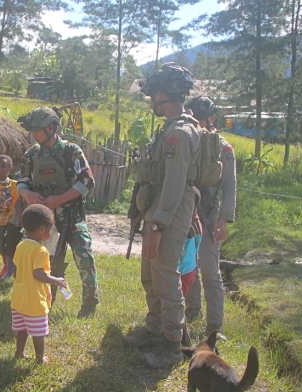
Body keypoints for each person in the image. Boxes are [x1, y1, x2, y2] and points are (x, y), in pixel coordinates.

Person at [121, 63, 200, 369]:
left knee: (166, 279)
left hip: (169, 212)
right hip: (158, 210)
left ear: (165, 94)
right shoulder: (169, 128)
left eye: (153, 94)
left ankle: (171, 345)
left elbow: (175, 183)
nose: (151, 101)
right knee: (150, 276)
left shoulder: (179, 132)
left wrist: (157, 224)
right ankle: (154, 329)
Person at [16, 107, 98, 318]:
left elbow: (87, 182)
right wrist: (28, 195)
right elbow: (22, 182)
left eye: (38, 130)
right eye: (33, 131)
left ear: (51, 128)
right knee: (41, 261)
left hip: (70, 214)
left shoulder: (71, 151)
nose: (34, 135)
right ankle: (40, 301)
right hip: (42, 218)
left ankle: (90, 302)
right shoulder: (31, 154)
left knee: (84, 255)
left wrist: (58, 200)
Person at [183, 95, 237, 335]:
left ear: (211, 119)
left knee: (210, 271)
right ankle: (192, 310)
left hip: (210, 215)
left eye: (200, 119)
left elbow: (230, 186)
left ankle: (215, 325)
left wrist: (223, 219)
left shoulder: (223, 148)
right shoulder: (187, 141)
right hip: (186, 214)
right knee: (188, 266)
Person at [11, 204, 67, 364]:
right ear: (42, 229)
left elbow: (18, 268)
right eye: (50, 228)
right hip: (34, 299)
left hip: (19, 298)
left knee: (21, 330)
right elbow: (38, 274)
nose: (50, 232)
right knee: (38, 332)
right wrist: (56, 280)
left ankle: (19, 353)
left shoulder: (21, 245)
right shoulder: (41, 251)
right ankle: (40, 358)